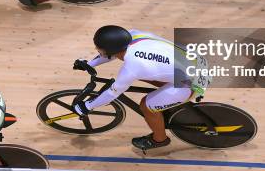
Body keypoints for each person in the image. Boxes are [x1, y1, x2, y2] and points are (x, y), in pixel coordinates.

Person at [72, 26, 209, 151]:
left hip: (191, 82)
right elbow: (110, 53)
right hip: (196, 61)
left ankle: (160, 139)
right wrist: (90, 64)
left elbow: (112, 93)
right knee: (146, 74)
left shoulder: (133, 67)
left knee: (146, 106)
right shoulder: (132, 34)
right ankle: (167, 100)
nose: (98, 51)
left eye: (100, 49)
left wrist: (88, 106)